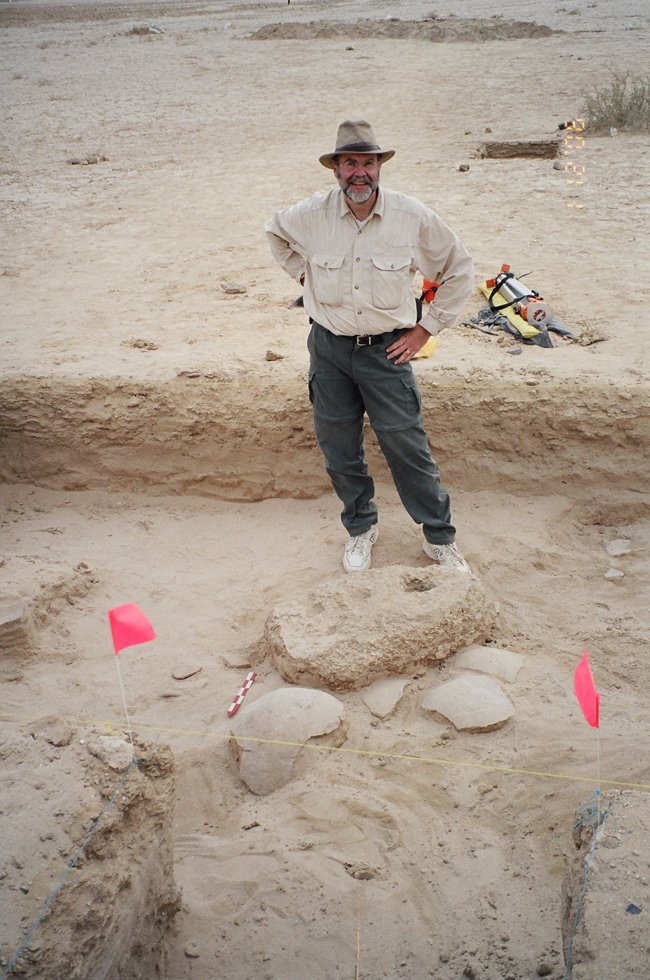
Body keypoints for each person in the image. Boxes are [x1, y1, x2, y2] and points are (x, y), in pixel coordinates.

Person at [265, 120, 473, 574]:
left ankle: (439, 539)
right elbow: (273, 232)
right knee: (339, 448)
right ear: (336, 170)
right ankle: (361, 529)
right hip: (329, 350)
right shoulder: (310, 215)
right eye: (350, 163)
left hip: (387, 353)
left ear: (380, 168)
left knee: (408, 448)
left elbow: (459, 268)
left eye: (368, 163)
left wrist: (426, 330)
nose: (360, 173)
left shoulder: (411, 216)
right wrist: (306, 275)